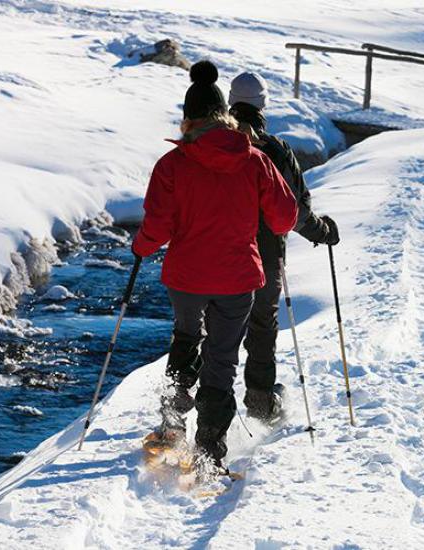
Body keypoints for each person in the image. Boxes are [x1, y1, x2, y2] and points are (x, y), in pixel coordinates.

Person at [132, 61, 298, 472]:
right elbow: (284, 218)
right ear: (225, 114)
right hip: (238, 278)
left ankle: (172, 426)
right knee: (221, 361)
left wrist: (141, 248)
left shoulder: (172, 164)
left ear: (188, 119)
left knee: (186, 340)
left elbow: (157, 226)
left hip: (186, 277)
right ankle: (209, 454)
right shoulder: (256, 160)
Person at [227, 72, 340, 423]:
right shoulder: (275, 150)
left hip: (219, 250)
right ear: (263, 104)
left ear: (231, 101)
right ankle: (260, 400)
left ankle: (209, 402)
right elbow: (296, 209)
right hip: (266, 252)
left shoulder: (213, 145)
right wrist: (321, 232)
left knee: (218, 327)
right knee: (262, 323)